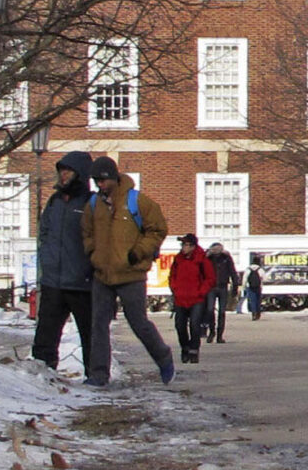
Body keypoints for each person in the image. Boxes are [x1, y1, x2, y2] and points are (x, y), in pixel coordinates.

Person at [84, 156, 174, 386]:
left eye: (103, 180)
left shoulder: (137, 201)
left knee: (138, 322)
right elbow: (87, 232)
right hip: (102, 274)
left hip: (131, 273)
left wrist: (138, 252)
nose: (100, 185)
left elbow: (157, 229)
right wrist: (93, 253)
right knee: (98, 324)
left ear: (114, 178)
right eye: (96, 181)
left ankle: (163, 356)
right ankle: (98, 374)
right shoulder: (93, 205)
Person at [30, 150, 98, 373]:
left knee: (90, 334)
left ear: (81, 173)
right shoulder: (54, 201)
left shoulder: (91, 202)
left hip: (81, 282)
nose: (63, 175)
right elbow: (44, 233)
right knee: (45, 335)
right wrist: (46, 260)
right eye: (61, 171)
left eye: (69, 171)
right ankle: (43, 373)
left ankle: (95, 375)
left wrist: (90, 269)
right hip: (53, 281)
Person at [167, 232, 214, 366]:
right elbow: (172, 276)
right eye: (183, 245)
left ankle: (194, 349)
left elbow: (210, 278)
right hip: (181, 298)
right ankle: (185, 347)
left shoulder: (202, 260)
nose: (184, 248)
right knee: (180, 326)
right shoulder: (178, 259)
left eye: (187, 245)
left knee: (195, 325)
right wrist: (175, 289)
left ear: (193, 246)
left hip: (196, 298)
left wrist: (201, 292)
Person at [205, 239, 236, 343]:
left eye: (219, 249)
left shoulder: (226, 258)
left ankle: (219, 335)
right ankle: (212, 331)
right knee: (210, 310)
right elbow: (200, 269)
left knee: (222, 312)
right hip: (211, 287)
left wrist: (235, 286)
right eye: (215, 249)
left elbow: (232, 271)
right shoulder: (208, 258)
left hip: (223, 286)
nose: (217, 251)